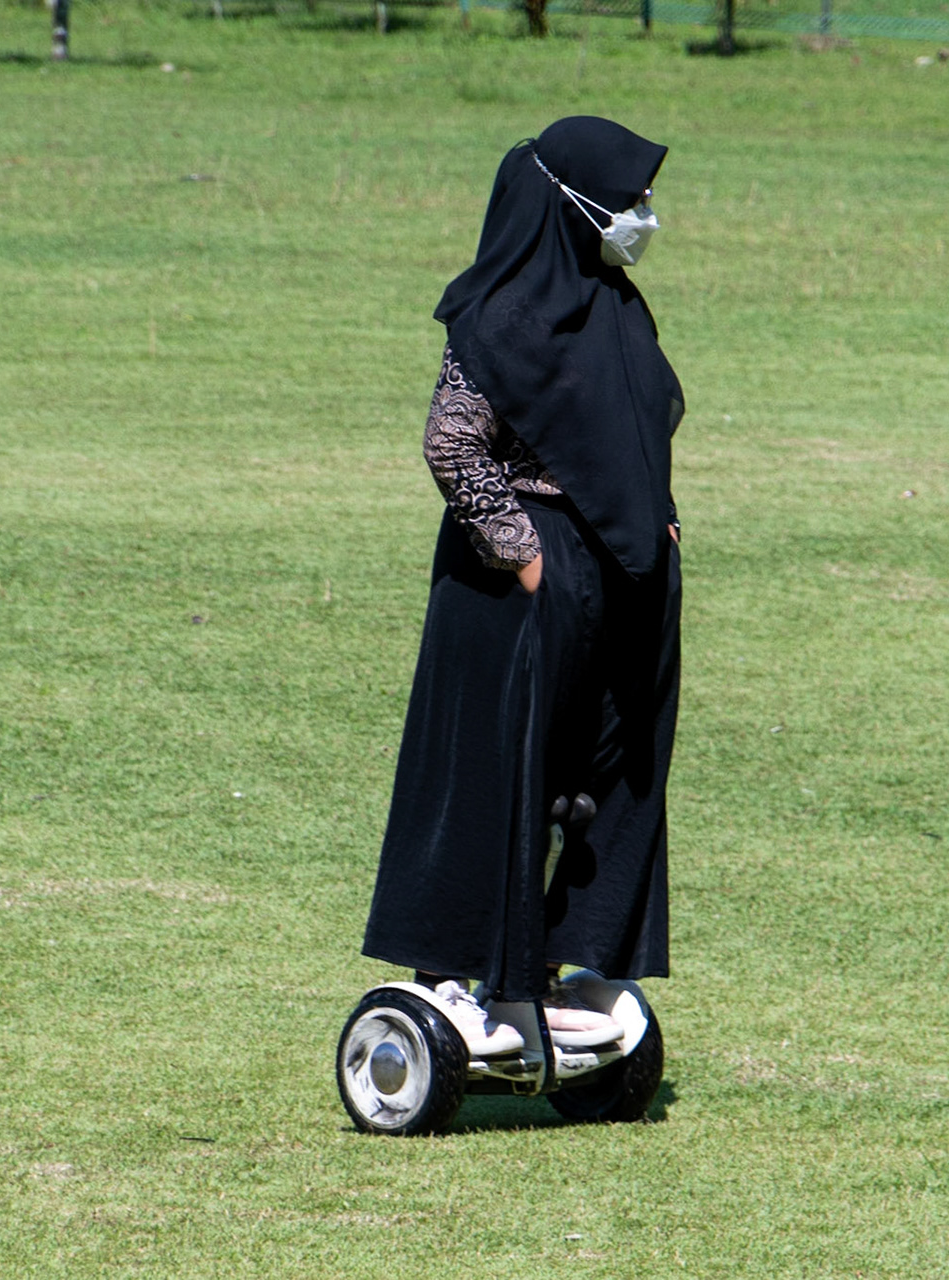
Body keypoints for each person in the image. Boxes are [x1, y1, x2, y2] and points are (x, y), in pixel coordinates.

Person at [361, 117, 684, 1055]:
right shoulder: (499, 316)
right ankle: (458, 972)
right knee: (500, 771)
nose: (641, 216)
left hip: (624, 566)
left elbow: (632, 434)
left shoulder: (617, 307)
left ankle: (571, 956)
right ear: (565, 200)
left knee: (609, 770)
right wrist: (522, 550)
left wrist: (657, 525)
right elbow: (452, 441)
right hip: (524, 577)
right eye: (627, 200)